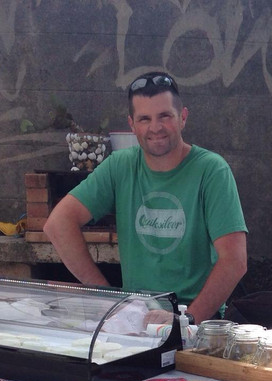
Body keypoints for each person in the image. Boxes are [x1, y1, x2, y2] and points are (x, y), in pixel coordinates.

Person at [43, 71, 248, 324]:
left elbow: (235, 261)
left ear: (183, 117)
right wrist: (108, 298)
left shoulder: (212, 171)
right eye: (144, 119)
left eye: (165, 116)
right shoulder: (120, 165)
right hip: (136, 319)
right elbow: (58, 223)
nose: (155, 128)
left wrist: (185, 321)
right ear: (132, 125)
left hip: (196, 321)